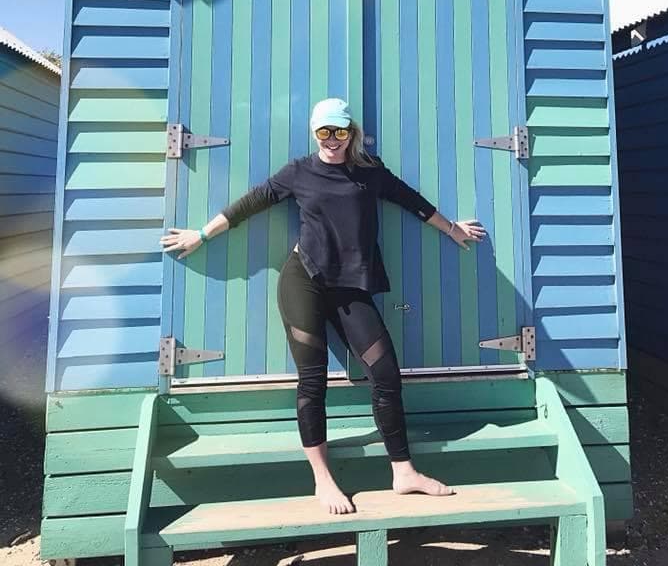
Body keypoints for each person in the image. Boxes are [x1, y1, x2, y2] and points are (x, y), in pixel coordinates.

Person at [161, 97, 486, 515]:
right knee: (312, 382)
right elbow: (251, 202)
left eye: (340, 131)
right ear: (315, 133)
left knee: (386, 373)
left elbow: (411, 200)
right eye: (324, 132)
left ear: (351, 132)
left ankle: (404, 472)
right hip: (304, 282)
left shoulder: (370, 173)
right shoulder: (299, 172)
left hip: (352, 288)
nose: (332, 140)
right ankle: (323, 479)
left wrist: (452, 228)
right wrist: (201, 235)